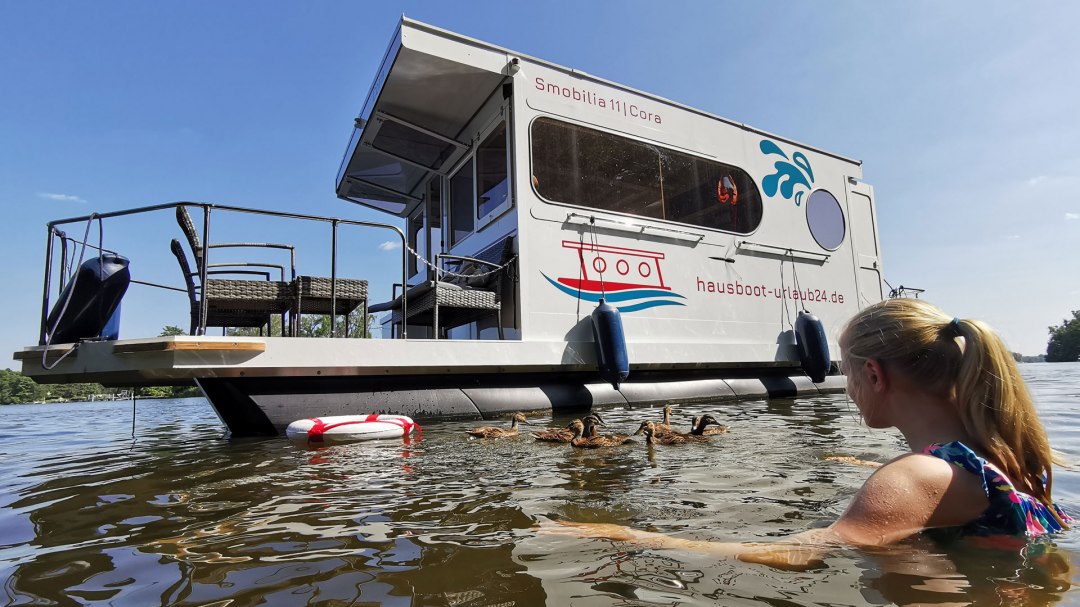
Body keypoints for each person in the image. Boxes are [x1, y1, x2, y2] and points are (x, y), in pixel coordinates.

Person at [550, 298, 1071, 570]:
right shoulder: (999, 453)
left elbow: (797, 553)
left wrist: (625, 535)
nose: (847, 390)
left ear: (873, 375)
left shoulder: (913, 477)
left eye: (847, 373)